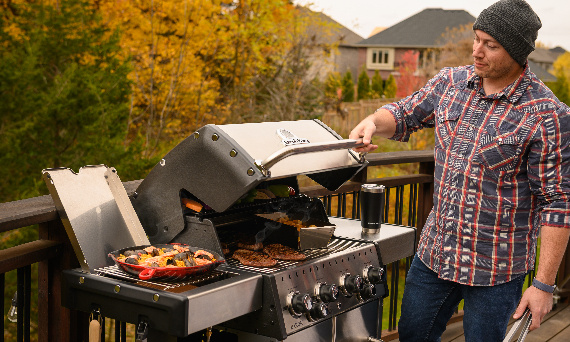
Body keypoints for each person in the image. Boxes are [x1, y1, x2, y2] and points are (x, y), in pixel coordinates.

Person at [349, 0, 570, 340]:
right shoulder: (451, 83)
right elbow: (405, 113)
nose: (476, 51)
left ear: (517, 52)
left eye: (490, 45)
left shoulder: (548, 115)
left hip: (497, 270)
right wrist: (372, 122)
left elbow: (558, 202)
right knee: (411, 335)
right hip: (435, 256)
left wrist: (542, 285)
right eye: (476, 39)